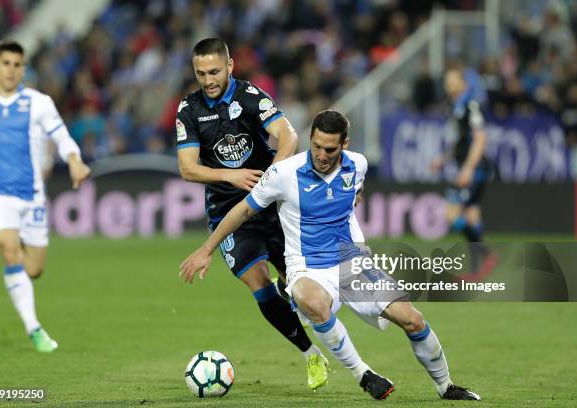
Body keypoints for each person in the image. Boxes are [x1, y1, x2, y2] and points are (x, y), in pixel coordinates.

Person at [180, 110, 481, 401]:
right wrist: (206, 249)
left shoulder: (358, 165)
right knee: (311, 300)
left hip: (353, 262)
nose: (322, 155)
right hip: (307, 268)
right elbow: (243, 210)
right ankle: (363, 374)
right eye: (316, 146)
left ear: (345, 144)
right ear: (310, 138)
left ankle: (446, 386)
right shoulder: (283, 174)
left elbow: (354, 194)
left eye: (330, 149)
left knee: (412, 319)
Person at [175, 38, 328, 390]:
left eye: (214, 71)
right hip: (227, 213)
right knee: (258, 285)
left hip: (271, 205)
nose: (208, 80)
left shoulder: (251, 97)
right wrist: (230, 175)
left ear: (230, 66)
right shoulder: (189, 110)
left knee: (304, 286)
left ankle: (288, 286)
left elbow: (288, 137)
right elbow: (187, 168)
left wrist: (268, 183)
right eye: (201, 73)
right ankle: (310, 355)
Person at [0, 40, 91, 352]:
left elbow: (62, 136)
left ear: (23, 68)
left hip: (32, 197)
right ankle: (35, 328)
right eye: (6, 63)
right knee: (10, 251)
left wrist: (74, 161)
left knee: (33, 269)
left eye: (17, 64)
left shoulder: (39, 103)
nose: (11, 70)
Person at [430, 65, 496, 276]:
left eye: (452, 81)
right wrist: (443, 158)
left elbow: (480, 139)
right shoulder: (455, 106)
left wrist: (468, 169)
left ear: (463, 83)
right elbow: (459, 141)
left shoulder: (471, 105)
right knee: (472, 215)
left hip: (475, 168)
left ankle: (486, 254)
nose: (448, 85)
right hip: (467, 166)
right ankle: (477, 271)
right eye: (446, 81)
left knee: (451, 215)